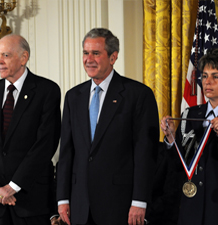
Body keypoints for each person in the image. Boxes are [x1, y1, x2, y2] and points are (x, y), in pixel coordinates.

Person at [56, 28, 159, 225]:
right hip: (80, 205)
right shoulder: (73, 96)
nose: (88, 59)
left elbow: (145, 152)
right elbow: (67, 152)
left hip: (120, 204)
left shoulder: (138, 95)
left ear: (113, 57)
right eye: (85, 53)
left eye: (96, 53)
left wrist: (140, 200)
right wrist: (63, 199)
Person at [0, 34, 61, 225]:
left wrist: (13, 186)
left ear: (24, 58)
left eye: (5, 55)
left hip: (30, 201)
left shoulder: (47, 91)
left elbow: (46, 144)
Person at [160, 48, 218, 225]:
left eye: (215, 76)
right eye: (205, 75)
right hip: (190, 207)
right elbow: (177, 165)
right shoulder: (189, 114)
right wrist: (171, 139)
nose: (207, 82)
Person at [144, 142, 182, 225]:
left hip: (159, 218)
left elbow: (171, 192)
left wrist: (144, 215)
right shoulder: (125, 155)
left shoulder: (166, 152)